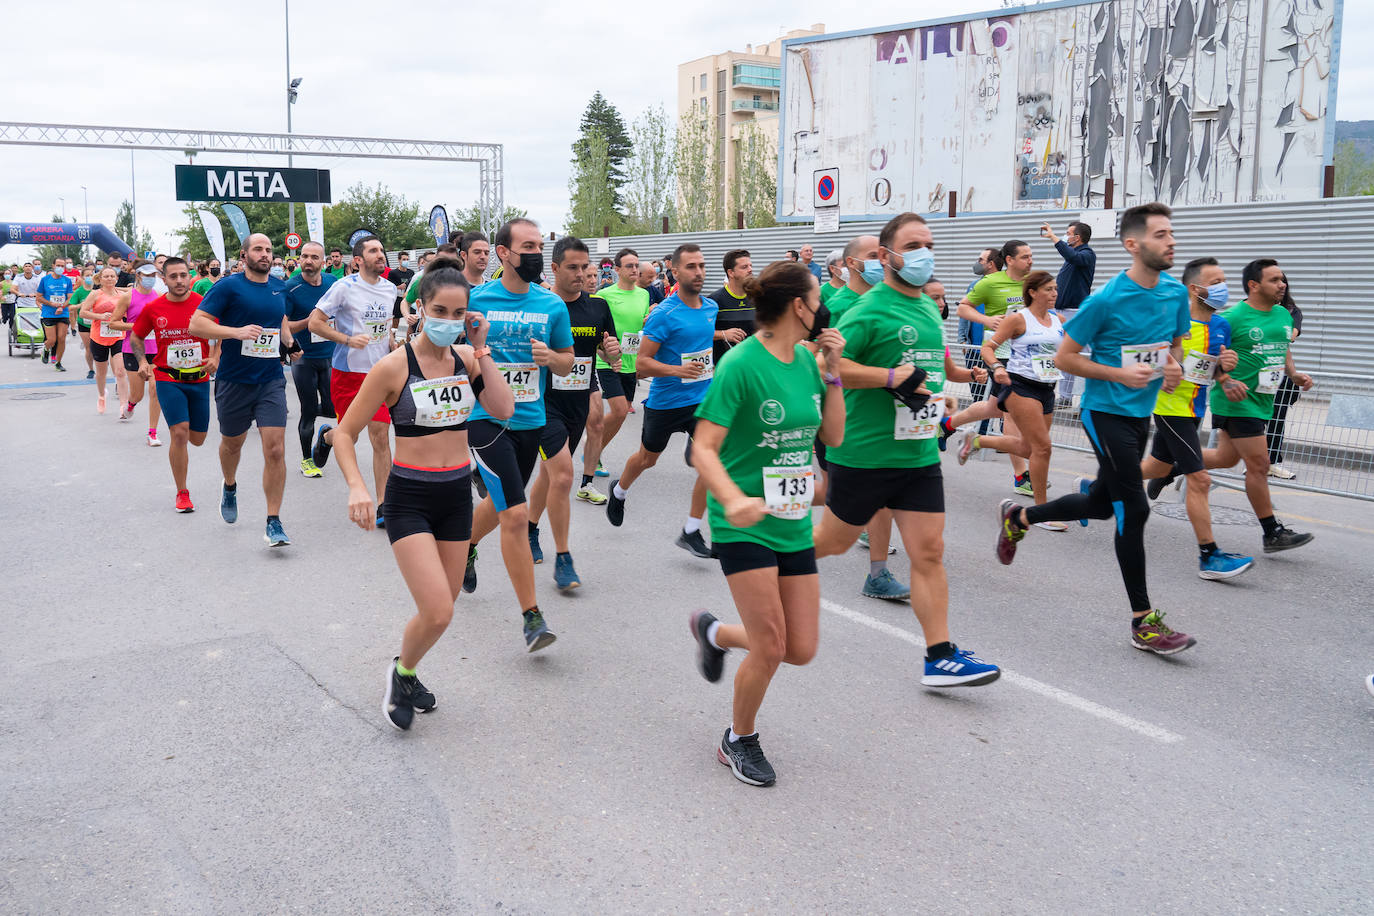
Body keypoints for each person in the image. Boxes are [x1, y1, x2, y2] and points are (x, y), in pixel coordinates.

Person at [995, 202, 1196, 655]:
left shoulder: (1173, 294)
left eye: (1171, 233)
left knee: (1102, 505)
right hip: (1104, 412)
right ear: (1133, 244)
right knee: (1135, 509)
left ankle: (1020, 517)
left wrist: (1173, 367)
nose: (1172, 242)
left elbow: (1177, 345)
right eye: (1161, 235)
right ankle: (1143, 622)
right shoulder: (1105, 299)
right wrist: (1120, 375)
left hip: (1140, 414)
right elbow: (1066, 357)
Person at [331, 259, 513, 731]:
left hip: (455, 495)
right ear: (418, 307)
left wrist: (482, 349)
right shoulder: (394, 367)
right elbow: (344, 434)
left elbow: (503, 408)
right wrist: (357, 486)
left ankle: (407, 670)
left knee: (443, 609)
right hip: (410, 496)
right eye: (440, 310)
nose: (448, 321)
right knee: (438, 608)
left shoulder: (469, 360)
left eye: (459, 313)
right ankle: (398, 675)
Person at [688, 259, 846, 787]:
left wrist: (833, 373)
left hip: (791, 519)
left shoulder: (808, 361)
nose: (823, 305)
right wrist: (731, 500)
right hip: (745, 524)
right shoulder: (741, 364)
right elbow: (702, 448)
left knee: (800, 648)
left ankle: (713, 633)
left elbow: (835, 437)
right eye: (817, 296)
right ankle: (739, 738)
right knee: (772, 645)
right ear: (797, 306)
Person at [461, 219, 575, 651]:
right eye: (527, 246)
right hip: (486, 420)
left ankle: (468, 543)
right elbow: (448, 351)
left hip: (531, 420)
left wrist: (553, 359)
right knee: (514, 514)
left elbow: (567, 361)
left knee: (499, 503)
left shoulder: (552, 306)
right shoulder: (476, 299)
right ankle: (532, 616)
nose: (536, 254)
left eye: (540, 246)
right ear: (503, 253)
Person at [1138, 256, 1252, 580]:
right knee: (1199, 479)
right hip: (1170, 407)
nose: (1223, 288)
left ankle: (1097, 487)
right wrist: (1167, 362)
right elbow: (1138, 357)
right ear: (1195, 288)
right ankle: (1209, 556)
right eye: (1215, 282)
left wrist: (1226, 370)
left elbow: (1211, 371)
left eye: (1223, 280)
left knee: (1156, 467)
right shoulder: (1172, 321)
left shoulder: (1221, 325)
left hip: (1196, 408)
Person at [605, 243, 718, 559]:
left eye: (702, 265)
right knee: (646, 459)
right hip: (666, 402)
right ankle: (619, 490)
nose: (698, 272)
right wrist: (677, 369)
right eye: (691, 266)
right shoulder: (664, 314)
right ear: (676, 272)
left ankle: (692, 530)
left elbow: (703, 342)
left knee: (712, 463)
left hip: (702, 400)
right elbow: (641, 364)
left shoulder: (710, 308)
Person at [189, 232, 300, 547]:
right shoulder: (228, 286)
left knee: (275, 449)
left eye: (268, 249)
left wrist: (290, 340)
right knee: (232, 445)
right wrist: (234, 332)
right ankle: (229, 484)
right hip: (234, 380)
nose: (265, 254)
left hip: (270, 379)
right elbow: (196, 324)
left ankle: (274, 521)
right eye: (258, 249)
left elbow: (280, 320)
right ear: (244, 255)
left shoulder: (280, 287)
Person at [1200, 258, 1314, 553]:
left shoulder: (1282, 315)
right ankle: (1271, 532)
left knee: (1226, 459)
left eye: (1282, 279)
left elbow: (1282, 348)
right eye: (1275, 280)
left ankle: (1173, 463)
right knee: (1260, 464)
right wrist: (1224, 379)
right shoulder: (1232, 318)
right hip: (1236, 401)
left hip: (1264, 400)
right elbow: (1210, 356)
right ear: (1254, 285)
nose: (1283, 285)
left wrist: (1294, 374)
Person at [816, 233, 907, 599]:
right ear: (852, 264)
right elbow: (828, 364)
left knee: (880, 499)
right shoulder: (840, 305)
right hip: (845, 419)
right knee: (830, 506)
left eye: (883, 255)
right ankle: (760, 519)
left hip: (884, 417)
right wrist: (887, 377)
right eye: (873, 256)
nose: (881, 261)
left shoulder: (887, 301)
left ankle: (878, 574)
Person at [526, 237, 620, 589]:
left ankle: (529, 528)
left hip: (577, 401)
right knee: (563, 474)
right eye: (573, 268)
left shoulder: (597, 307)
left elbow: (609, 354)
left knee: (551, 476)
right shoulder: (542, 306)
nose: (582, 274)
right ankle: (564, 558)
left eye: (585, 268)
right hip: (542, 403)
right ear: (553, 268)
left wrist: (611, 351)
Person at [952, 271, 1066, 529]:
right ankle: (1041, 512)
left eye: (1055, 289)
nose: (1054, 294)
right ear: (1033, 292)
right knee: (1043, 448)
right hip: (1020, 386)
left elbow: (1066, 351)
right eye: (1048, 289)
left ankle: (977, 440)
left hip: (1048, 387)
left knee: (1029, 449)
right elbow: (987, 348)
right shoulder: (1018, 320)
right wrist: (997, 368)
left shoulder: (1059, 319)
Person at [306, 236, 399, 527]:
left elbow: (383, 328)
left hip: (380, 372)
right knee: (350, 436)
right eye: (373, 251)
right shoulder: (343, 288)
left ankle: (384, 504)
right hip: (348, 373)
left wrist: (392, 342)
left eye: (382, 250)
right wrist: (347, 339)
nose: (380, 255)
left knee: (381, 435)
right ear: (358, 259)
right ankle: (326, 436)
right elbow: (314, 322)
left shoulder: (390, 289)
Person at [129, 258, 217, 512]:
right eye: (173, 276)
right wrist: (143, 362)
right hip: (168, 377)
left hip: (199, 379)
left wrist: (215, 358)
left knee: (197, 439)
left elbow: (218, 336)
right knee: (179, 432)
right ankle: (182, 492)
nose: (179, 280)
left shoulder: (204, 306)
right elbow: (136, 336)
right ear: (164, 279)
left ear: (190, 277)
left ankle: (186, 445)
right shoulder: (154, 308)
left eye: (183, 275)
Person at [954, 239, 1035, 492]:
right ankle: (1021, 477)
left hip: (1026, 355)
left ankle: (947, 425)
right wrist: (986, 319)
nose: (1030, 261)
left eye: (1031, 256)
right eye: (1025, 257)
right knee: (1011, 411)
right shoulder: (989, 282)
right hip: (999, 354)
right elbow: (963, 309)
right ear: (1009, 260)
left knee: (992, 407)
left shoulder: (1032, 282)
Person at [581, 248, 652, 500]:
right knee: (620, 410)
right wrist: (606, 352)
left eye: (637, 266)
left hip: (630, 362)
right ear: (618, 269)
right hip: (606, 362)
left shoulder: (644, 294)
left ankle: (595, 451)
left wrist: (647, 320)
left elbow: (637, 324)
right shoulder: (604, 295)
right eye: (630, 266)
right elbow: (597, 324)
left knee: (621, 415)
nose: (635, 270)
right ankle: (593, 448)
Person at [284, 241, 337, 478]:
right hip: (304, 357)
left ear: (323, 262)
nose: (307, 260)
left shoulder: (331, 283)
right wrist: (311, 320)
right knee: (307, 411)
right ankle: (307, 460)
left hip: (331, 355)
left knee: (332, 408)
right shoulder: (291, 287)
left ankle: (324, 435)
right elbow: (283, 324)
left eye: (314, 257)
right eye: (304, 256)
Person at [1041, 220, 1097, 407]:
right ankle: (1064, 396)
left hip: (1075, 312)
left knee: (1081, 355)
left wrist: (1053, 237)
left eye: (1068, 233)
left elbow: (1072, 256)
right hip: (1062, 311)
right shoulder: (1072, 257)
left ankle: (1083, 400)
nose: (1066, 236)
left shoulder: (1086, 254)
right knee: (1064, 354)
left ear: (1077, 237)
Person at [106, 262, 164, 442]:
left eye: (153, 276)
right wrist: (137, 326)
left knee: (155, 389)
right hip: (133, 349)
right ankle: (130, 405)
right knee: (138, 394)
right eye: (147, 276)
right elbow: (113, 323)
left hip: (156, 349)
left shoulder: (160, 296)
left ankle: (152, 432)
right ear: (138, 276)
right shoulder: (128, 296)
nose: (150, 279)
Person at [1265, 275, 1304, 479]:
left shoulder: (1290, 311)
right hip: (1254, 372)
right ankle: (1253, 459)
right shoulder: (1248, 308)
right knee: (1251, 418)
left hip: (1280, 374)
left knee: (1276, 417)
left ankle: (1271, 462)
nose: (1279, 285)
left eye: (1281, 281)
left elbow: (1290, 335)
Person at [79, 267, 131, 414]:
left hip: (118, 336)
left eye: (112, 276)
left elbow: (130, 312)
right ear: (100, 279)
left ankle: (123, 405)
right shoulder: (95, 294)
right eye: (106, 276)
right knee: (101, 372)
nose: (109, 279)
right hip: (98, 337)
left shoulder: (122, 296)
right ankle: (102, 395)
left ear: (116, 279)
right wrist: (100, 317)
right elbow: (83, 312)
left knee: (120, 371)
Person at [708, 249, 754, 367]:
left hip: (754, 368)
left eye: (750, 266)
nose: (750, 270)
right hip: (725, 370)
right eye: (744, 267)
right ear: (731, 273)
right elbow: (699, 332)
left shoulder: (759, 298)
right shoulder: (713, 301)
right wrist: (723, 334)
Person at [36, 260, 74, 371]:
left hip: (63, 313)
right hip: (48, 313)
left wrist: (62, 307)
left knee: (61, 338)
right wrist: (51, 304)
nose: (60, 268)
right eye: (58, 265)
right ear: (53, 266)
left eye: (62, 266)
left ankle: (58, 363)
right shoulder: (45, 280)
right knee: (52, 340)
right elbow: (39, 297)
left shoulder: (67, 280)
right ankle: (46, 349)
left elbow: (70, 297)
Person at [69, 269, 96, 378]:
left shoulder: (98, 290)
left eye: (91, 275)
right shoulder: (79, 291)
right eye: (87, 275)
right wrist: (81, 305)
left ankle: (101, 362)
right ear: (82, 277)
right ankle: (91, 369)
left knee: (99, 347)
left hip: (98, 322)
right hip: (84, 323)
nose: (89, 277)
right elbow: (71, 307)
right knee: (89, 347)